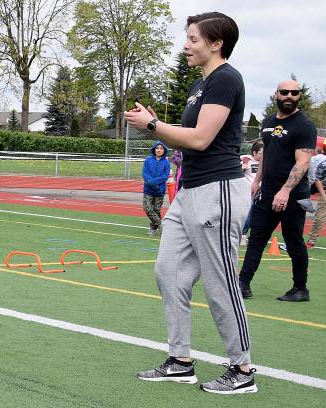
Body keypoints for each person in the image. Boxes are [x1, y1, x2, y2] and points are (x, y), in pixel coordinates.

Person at [124, 12, 256, 394]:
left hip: (217, 192)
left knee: (220, 284)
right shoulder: (202, 85)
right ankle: (181, 361)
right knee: (169, 272)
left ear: (216, 44)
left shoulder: (226, 79)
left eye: (194, 39)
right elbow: (187, 136)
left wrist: (151, 126)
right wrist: (154, 122)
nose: (186, 44)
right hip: (189, 191)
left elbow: (199, 139)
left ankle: (242, 369)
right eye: (187, 37)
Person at [238, 79, 317, 303]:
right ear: (276, 94)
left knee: (293, 242)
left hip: (293, 195)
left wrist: (285, 191)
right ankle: (243, 283)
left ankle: (300, 289)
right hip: (268, 193)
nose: (289, 96)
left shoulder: (304, 125)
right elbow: (266, 157)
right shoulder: (268, 122)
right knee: (256, 239)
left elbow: (302, 163)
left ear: (299, 95)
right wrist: (257, 181)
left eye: (295, 92)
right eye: (285, 92)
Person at [142, 142, 170, 236]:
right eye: (157, 148)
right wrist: (151, 183)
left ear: (164, 150)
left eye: (161, 148)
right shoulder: (148, 160)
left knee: (156, 209)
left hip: (159, 190)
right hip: (148, 189)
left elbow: (164, 176)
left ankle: (153, 228)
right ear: (154, 149)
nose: (159, 150)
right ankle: (160, 224)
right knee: (147, 207)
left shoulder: (166, 162)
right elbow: (145, 173)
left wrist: (154, 183)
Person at [309, 141, 326, 247]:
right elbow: (317, 179)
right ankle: (312, 241)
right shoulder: (325, 164)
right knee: (319, 219)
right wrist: (323, 194)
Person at [239, 141, 263, 245]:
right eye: (261, 153)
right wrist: (242, 167)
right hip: (248, 193)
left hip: (261, 193)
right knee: (248, 214)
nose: (263, 156)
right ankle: (242, 235)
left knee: (257, 215)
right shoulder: (246, 160)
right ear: (254, 152)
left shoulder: (265, 163)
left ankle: (252, 236)